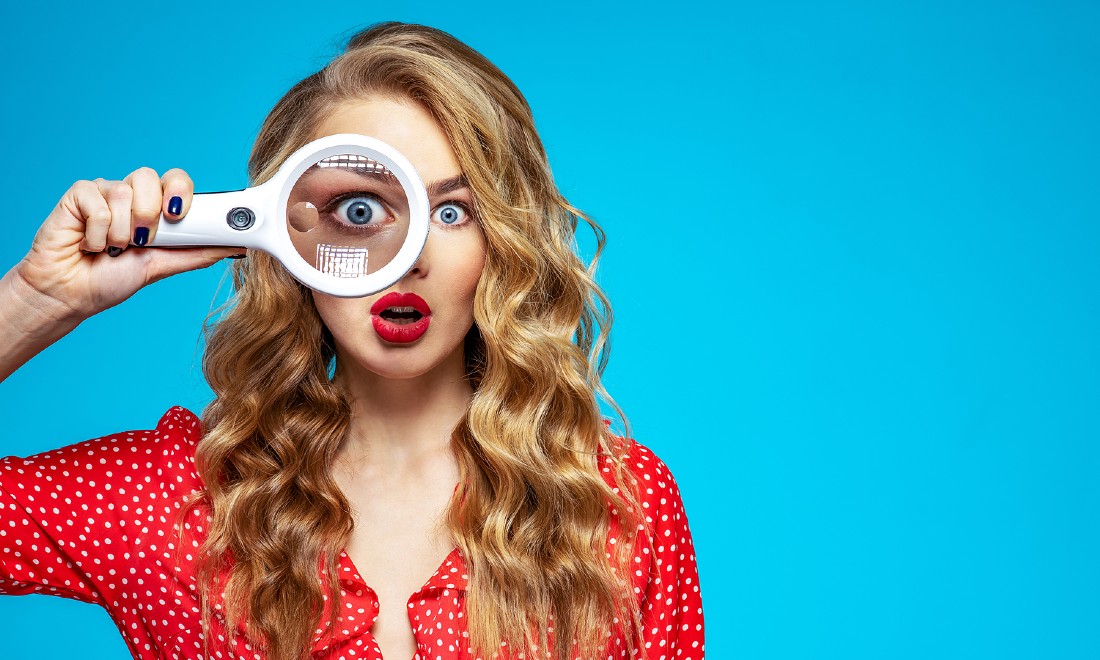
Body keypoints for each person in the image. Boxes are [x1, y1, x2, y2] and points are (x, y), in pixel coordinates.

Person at [0, 22, 704, 660]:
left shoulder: (615, 505)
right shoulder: (180, 500)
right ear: (286, 236)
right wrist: (34, 303)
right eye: (358, 209)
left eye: (452, 210)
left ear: (503, 241)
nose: (411, 256)